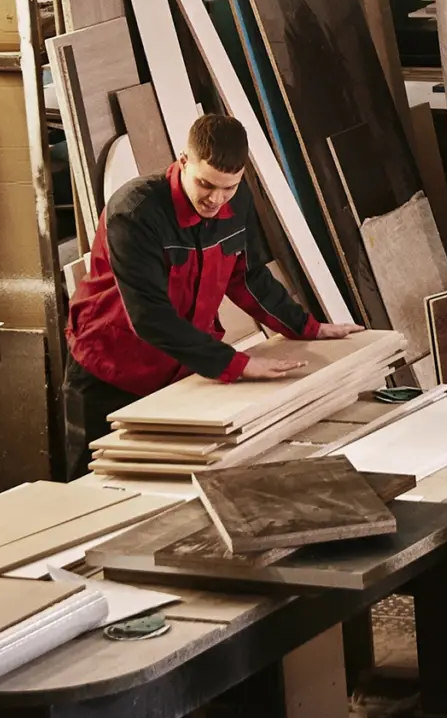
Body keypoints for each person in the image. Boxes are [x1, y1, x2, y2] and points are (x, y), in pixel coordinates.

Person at [61, 114, 360, 474]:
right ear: (183, 161)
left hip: (183, 372)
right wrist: (237, 364)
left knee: (172, 485)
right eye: (205, 184)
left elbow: (245, 277)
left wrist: (307, 327)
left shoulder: (237, 201)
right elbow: (149, 316)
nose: (216, 200)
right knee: (96, 486)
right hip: (111, 370)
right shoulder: (136, 211)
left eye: (229, 187)